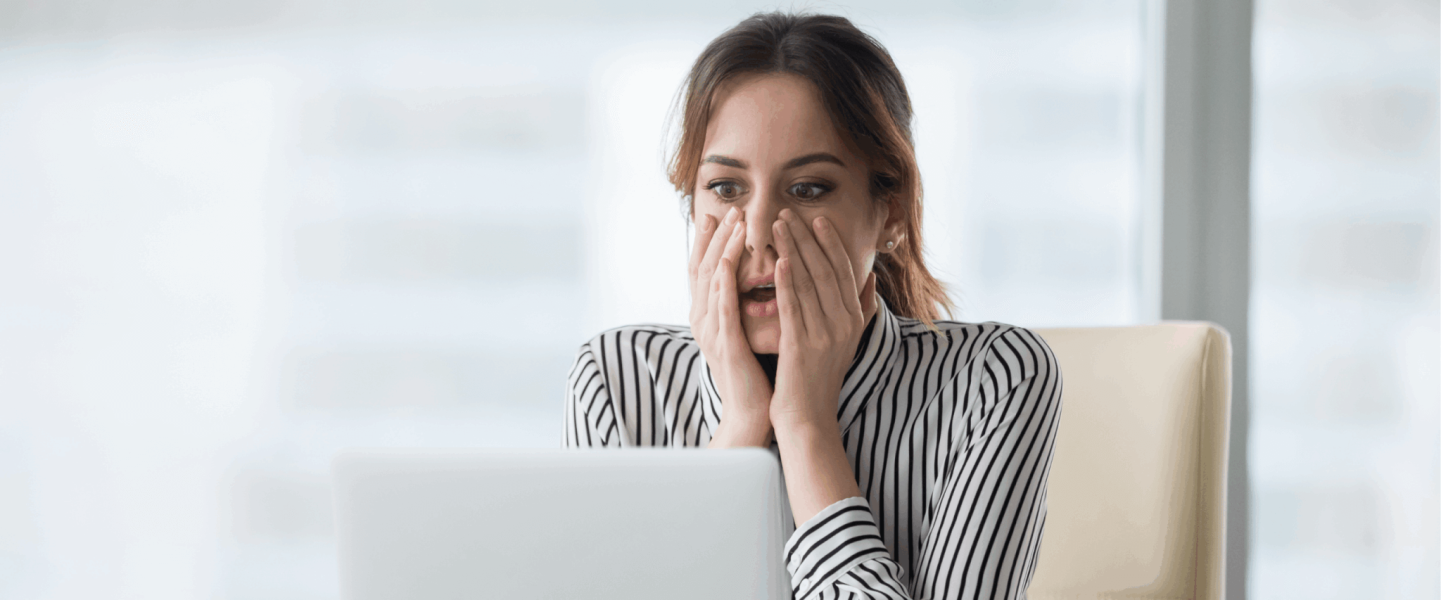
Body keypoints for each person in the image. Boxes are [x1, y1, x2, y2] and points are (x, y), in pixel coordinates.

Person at [564, 12, 1062, 600]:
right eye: (726, 189)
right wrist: (741, 428)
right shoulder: (620, 379)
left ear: (890, 213)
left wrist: (805, 429)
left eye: (807, 190)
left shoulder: (995, 377)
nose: (757, 235)